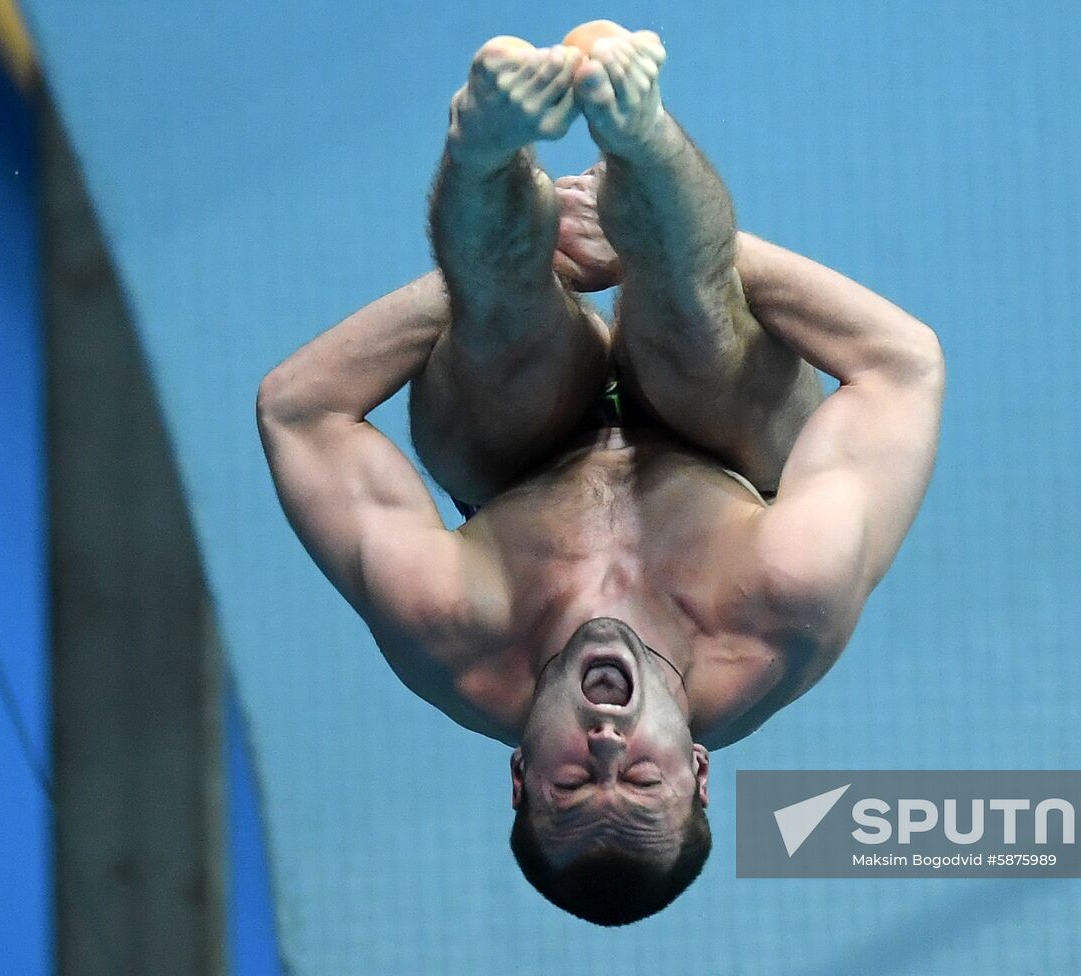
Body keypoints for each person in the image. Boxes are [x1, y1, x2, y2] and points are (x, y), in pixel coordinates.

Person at [257, 21, 944, 926]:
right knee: (697, 329)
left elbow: (299, 411)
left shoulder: (450, 630)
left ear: (520, 774)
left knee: (503, 335)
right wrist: (671, 246)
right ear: (697, 767)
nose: (609, 743)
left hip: (519, 447)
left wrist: (523, 260)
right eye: (644, 775)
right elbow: (902, 364)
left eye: (576, 779)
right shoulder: (784, 605)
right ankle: (641, 132)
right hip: (723, 443)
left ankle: (485, 140)